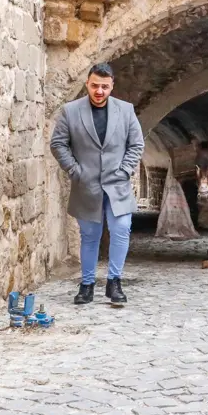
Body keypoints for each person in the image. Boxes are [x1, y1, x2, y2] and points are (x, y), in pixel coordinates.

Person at [49, 63, 145, 306]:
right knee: (89, 235)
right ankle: (87, 284)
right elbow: (58, 143)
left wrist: (125, 169)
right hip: (86, 184)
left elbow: (136, 145)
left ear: (112, 86)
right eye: (94, 86)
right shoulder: (71, 111)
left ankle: (115, 282)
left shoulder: (126, 110)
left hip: (118, 184)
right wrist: (73, 169)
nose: (99, 91)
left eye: (104, 86)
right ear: (87, 85)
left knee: (121, 229)